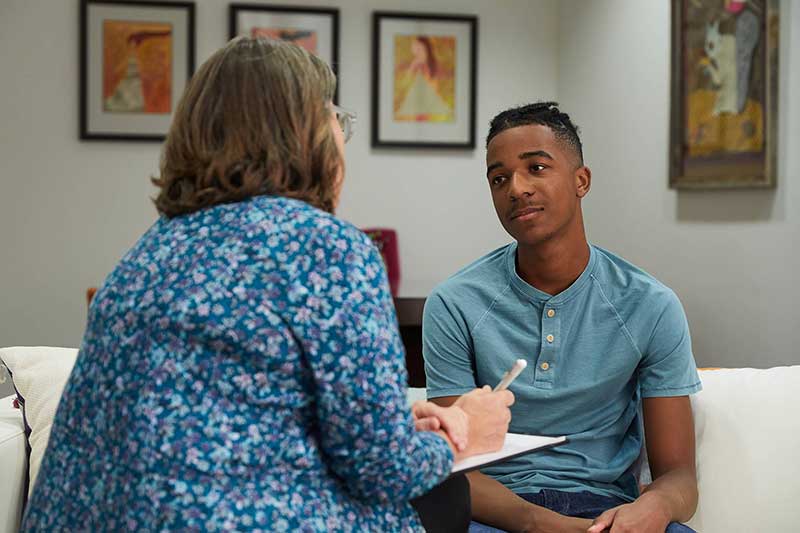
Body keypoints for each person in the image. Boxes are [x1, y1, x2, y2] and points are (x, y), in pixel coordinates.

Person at [22, 37, 514, 532]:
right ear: (308, 136)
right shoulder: (328, 248)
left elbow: (223, 418)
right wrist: (466, 430)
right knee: (446, 493)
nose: (343, 140)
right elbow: (381, 470)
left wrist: (400, 428)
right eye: (336, 121)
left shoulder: (146, 253)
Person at [423, 102, 702, 533]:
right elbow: (449, 467)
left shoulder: (650, 305)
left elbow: (679, 476)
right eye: (499, 179)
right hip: (496, 514)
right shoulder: (454, 304)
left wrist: (659, 505)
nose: (516, 188)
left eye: (536, 167)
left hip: (607, 513)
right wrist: (539, 523)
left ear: (581, 180)